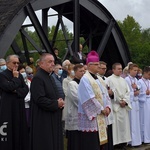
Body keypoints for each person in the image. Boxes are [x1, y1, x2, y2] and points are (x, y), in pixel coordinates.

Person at [30, 53, 65, 150]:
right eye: (50, 62)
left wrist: (60, 101)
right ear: (41, 64)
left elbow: (53, 93)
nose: (53, 64)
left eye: (53, 61)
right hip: (43, 118)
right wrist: (56, 103)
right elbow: (39, 99)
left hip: (52, 116)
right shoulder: (38, 78)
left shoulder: (49, 77)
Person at [78, 51, 111, 150]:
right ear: (89, 65)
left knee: (100, 143)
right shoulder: (85, 79)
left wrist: (108, 107)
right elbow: (89, 98)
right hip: (93, 117)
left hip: (101, 116)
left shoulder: (100, 79)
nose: (99, 67)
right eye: (96, 65)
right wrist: (101, 109)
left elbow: (106, 95)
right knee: (92, 143)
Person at [0, 54, 29, 150]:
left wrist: (16, 91)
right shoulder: (2, 75)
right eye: (14, 63)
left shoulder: (19, 75)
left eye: (18, 63)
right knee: (9, 131)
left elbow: (25, 89)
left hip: (19, 106)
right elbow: (8, 87)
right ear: (7, 63)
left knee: (20, 131)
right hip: (8, 107)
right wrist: (15, 79)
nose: (16, 65)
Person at [107, 63, 132, 149]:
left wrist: (125, 101)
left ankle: (123, 143)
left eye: (121, 69)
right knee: (116, 127)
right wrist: (118, 100)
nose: (120, 70)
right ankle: (115, 144)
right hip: (115, 107)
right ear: (113, 70)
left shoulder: (123, 80)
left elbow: (128, 92)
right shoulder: (109, 79)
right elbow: (109, 92)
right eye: (118, 69)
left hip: (123, 107)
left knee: (123, 127)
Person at [65, 64, 85, 150]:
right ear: (75, 72)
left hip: (84, 114)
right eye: (80, 71)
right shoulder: (71, 84)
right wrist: (88, 106)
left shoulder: (85, 83)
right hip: (75, 113)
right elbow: (76, 98)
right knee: (75, 138)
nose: (83, 73)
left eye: (84, 71)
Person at [98, 61, 114, 150]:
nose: (104, 70)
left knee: (109, 130)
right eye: (102, 68)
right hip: (101, 109)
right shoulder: (95, 79)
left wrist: (111, 93)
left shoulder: (107, 79)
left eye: (105, 68)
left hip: (108, 106)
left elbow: (112, 90)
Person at [125, 64, 141, 146]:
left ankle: (137, 141)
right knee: (131, 122)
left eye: (136, 70)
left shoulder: (136, 79)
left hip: (136, 103)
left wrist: (137, 89)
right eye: (134, 70)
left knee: (136, 122)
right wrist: (133, 93)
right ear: (129, 70)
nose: (136, 72)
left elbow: (139, 89)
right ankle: (131, 142)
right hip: (131, 103)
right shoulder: (127, 79)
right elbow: (126, 92)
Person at [138, 66, 150, 144]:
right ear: (144, 73)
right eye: (149, 74)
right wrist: (144, 93)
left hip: (149, 102)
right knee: (144, 121)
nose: (149, 76)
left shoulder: (149, 81)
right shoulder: (139, 82)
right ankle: (144, 139)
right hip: (143, 103)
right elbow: (137, 94)